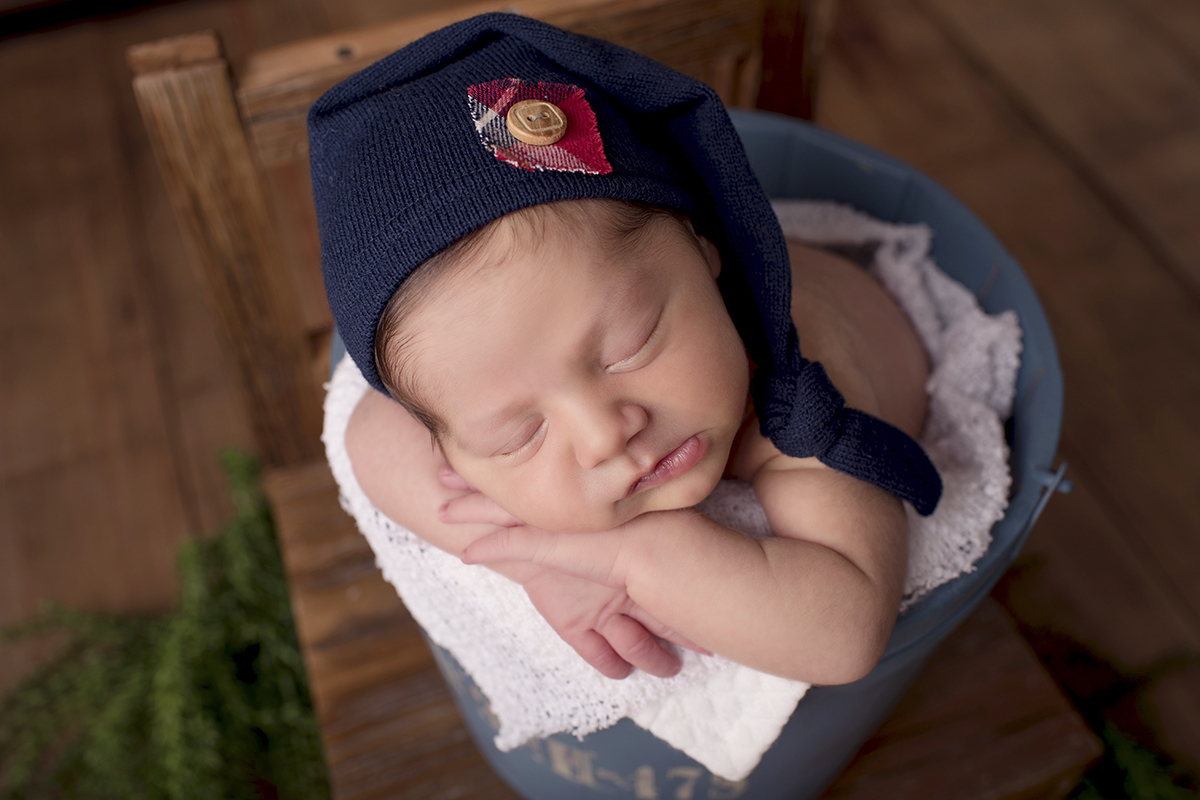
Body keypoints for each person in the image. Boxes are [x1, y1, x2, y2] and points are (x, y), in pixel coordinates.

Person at [310, 13, 942, 688]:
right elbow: (369, 438)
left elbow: (842, 635)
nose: (606, 435)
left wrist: (629, 558)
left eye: (629, 347)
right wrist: (535, 560)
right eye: (519, 435)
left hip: (877, 322)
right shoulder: (471, 387)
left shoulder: (797, 398)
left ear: (708, 253)